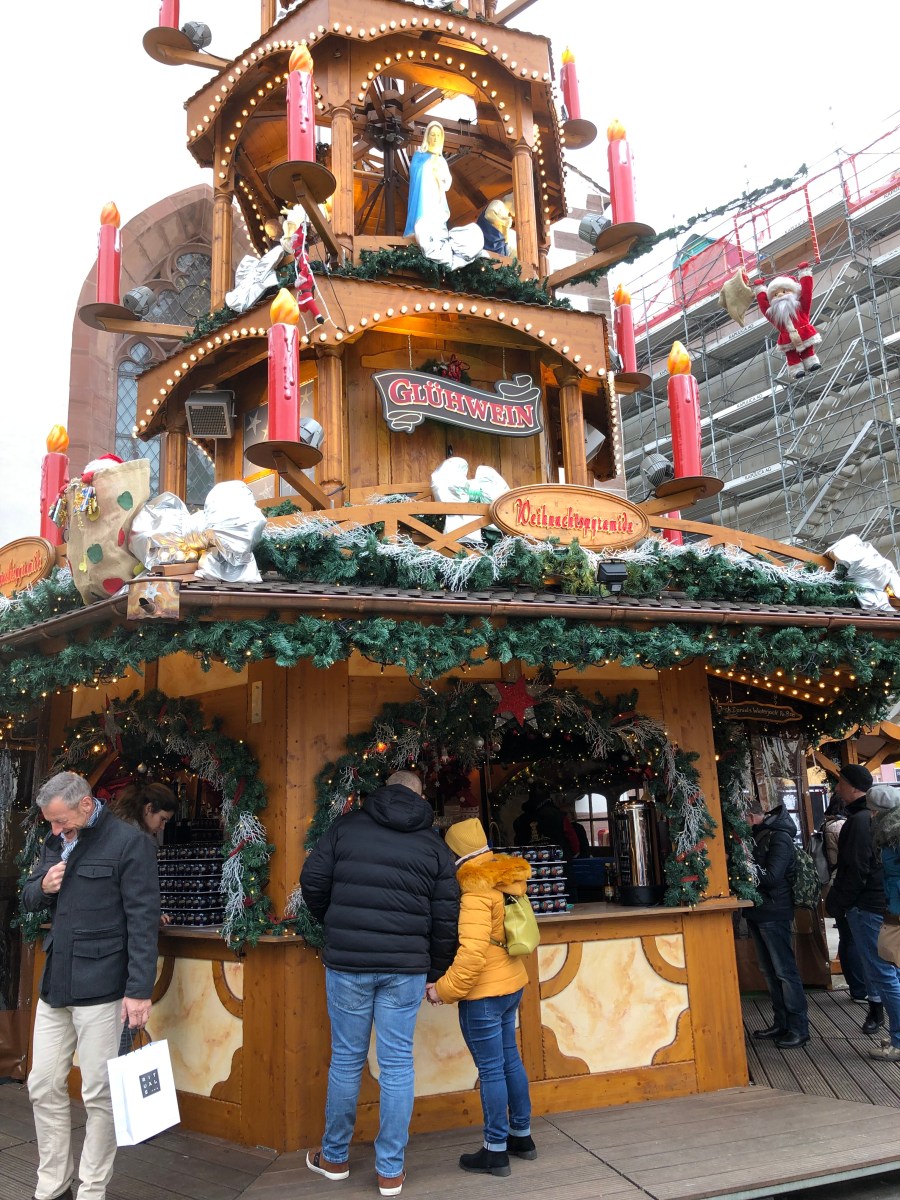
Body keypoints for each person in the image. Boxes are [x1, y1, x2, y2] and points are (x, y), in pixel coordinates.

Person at [299, 770, 459, 1197]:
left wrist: (335, 923)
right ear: (420, 796)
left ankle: (334, 1158)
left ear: (385, 789)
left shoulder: (346, 827)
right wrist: (435, 970)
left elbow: (312, 881)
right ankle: (390, 1171)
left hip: (348, 962)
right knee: (398, 1065)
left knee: (346, 1061)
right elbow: (447, 916)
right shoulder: (433, 845)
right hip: (405, 968)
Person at [22, 772, 160, 1200]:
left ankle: (92, 1190)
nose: (54, 830)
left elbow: (143, 921)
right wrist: (42, 886)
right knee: (42, 1085)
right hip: (56, 984)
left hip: (103, 988)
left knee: (99, 1094)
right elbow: (27, 896)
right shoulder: (56, 841)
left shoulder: (130, 843)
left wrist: (139, 990)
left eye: (60, 820)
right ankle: (53, 1186)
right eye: (50, 821)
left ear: (85, 804)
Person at [426, 818, 534, 1177]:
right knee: (510, 1060)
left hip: (485, 993)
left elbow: (472, 955)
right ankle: (522, 1136)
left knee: (491, 1070)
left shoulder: (475, 891)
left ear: (455, 853)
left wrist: (442, 990)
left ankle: (495, 1150)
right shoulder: (507, 877)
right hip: (511, 983)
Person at [827, 766, 900, 1040]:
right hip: (883, 905)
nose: (837, 789)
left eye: (841, 783)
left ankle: (897, 1037)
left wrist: (839, 902)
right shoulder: (880, 826)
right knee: (888, 969)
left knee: (882, 972)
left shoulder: (860, 823)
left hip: (869, 906)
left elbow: (856, 869)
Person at [745, 798, 810, 1048]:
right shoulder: (758, 836)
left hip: (774, 910)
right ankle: (781, 1023)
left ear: (751, 817)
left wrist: (744, 866)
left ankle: (798, 1027)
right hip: (759, 910)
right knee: (769, 971)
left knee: (784, 971)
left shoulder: (779, 837)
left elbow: (772, 877)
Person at [403, 120, 484, 270]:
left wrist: (439, 174)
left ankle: (436, 240)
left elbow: (447, 183)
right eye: (432, 134)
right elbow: (415, 174)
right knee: (423, 217)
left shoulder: (441, 160)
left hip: (436, 198)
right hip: (423, 197)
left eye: (438, 135)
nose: (435, 138)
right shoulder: (419, 156)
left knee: (436, 220)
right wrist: (429, 167)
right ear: (427, 136)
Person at [821, 792, 867, 1002]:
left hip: (834, 881)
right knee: (852, 939)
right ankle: (859, 987)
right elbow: (852, 857)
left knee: (846, 938)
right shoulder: (841, 826)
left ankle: (855, 985)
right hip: (842, 882)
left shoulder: (827, 825)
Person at [752, 263, 821, 379]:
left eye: (784, 291)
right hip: (787, 338)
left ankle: (811, 362)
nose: (780, 295)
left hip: (803, 333)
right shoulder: (775, 315)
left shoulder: (801, 307)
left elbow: (807, 292)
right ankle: (796, 369)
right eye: (775, 294)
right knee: (792, 356)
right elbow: (764, 307)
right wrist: (760, 290)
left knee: (808, 351)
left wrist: (804, 273)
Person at [873, 784, 900, 1059]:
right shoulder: (889, 830)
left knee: (889, 970)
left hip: (897, 913)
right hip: (893, 909)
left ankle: (899, 1040)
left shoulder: (892, 833)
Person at [107, 780, 176, 838]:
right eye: (163, 819)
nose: (163, 827)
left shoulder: (119, 824)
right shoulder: (135, 837)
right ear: (149, 808)